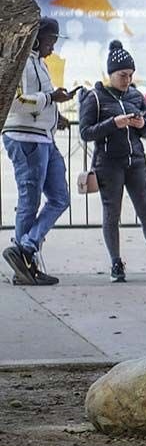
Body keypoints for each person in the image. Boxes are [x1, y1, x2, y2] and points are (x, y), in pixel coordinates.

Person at [78, 41, 146, 284]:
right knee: (112, 213)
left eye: (130, 75)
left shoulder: (136, 96)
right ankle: (116, 262)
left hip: (136, 161)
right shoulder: (96, 98)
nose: (126, 80)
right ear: (111, 74)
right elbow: (85, 132)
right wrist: (113, 124)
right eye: (122, 75)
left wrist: (141, 125)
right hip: (108, 163)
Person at [2, 17, 72, 286]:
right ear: (39, 37)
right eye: (51, 40)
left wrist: (56, 115)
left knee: (59, 198)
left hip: (43, 137)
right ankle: (25, 267)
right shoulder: (22, 61)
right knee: (29, 202)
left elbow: (38, 101)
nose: (53, 46)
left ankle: (26, 249)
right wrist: (52, 99)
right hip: (25, 138)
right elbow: (17, 101)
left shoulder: (39, 63)